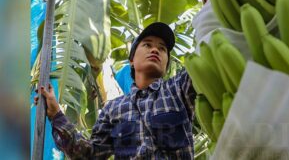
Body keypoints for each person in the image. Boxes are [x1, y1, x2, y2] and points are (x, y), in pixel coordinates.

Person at [34, 22, 197, 159]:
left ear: (167, 64)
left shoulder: (179, 89)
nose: (155, 50)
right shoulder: (113, 109)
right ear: (131, 60)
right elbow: (88, 154)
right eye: (147, 44)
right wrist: (56, 115)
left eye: (162, 49)